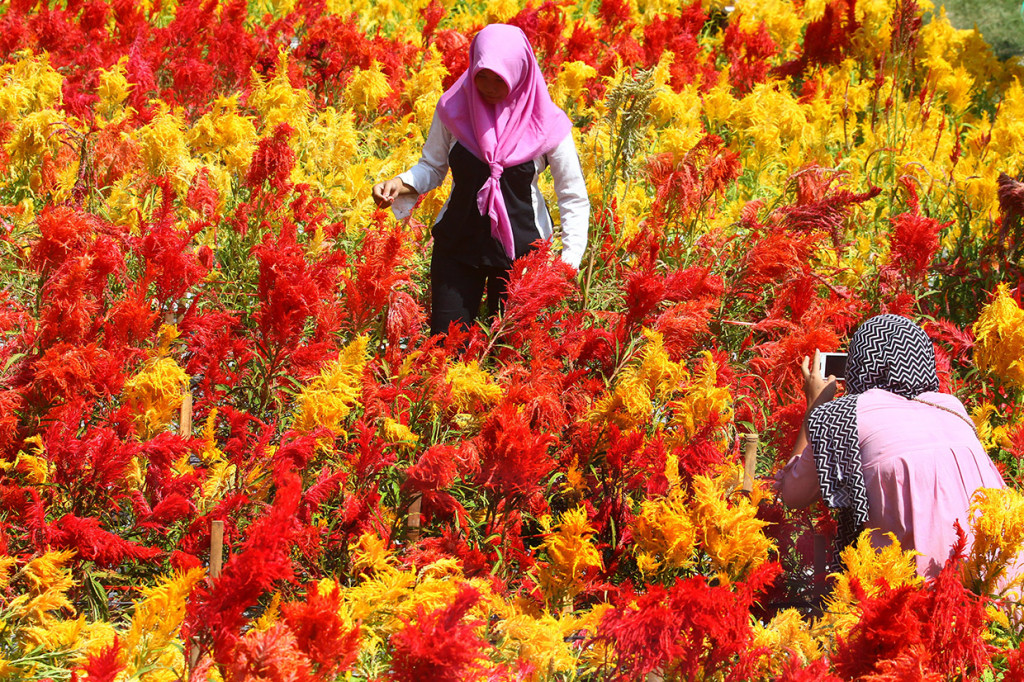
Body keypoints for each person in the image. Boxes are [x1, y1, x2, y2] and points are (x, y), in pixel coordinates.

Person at [371, 23, 589, 337]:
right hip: (458, 246)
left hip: (523, 254)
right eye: (481, 75)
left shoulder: (548, 124)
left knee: (508, 360)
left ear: (520, 72)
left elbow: (572, 195)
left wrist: (570, 258)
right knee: (446, 348)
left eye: (498, 78)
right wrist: (401, 183)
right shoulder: (453, 109)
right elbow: (432, 166)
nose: (487, 86)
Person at [775, 314, 1006, 578]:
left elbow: (792, 495)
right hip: (999, 579)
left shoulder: (843, 415)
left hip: (921, 591)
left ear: (860, 363)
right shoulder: (952, 407)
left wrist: (815, 408)